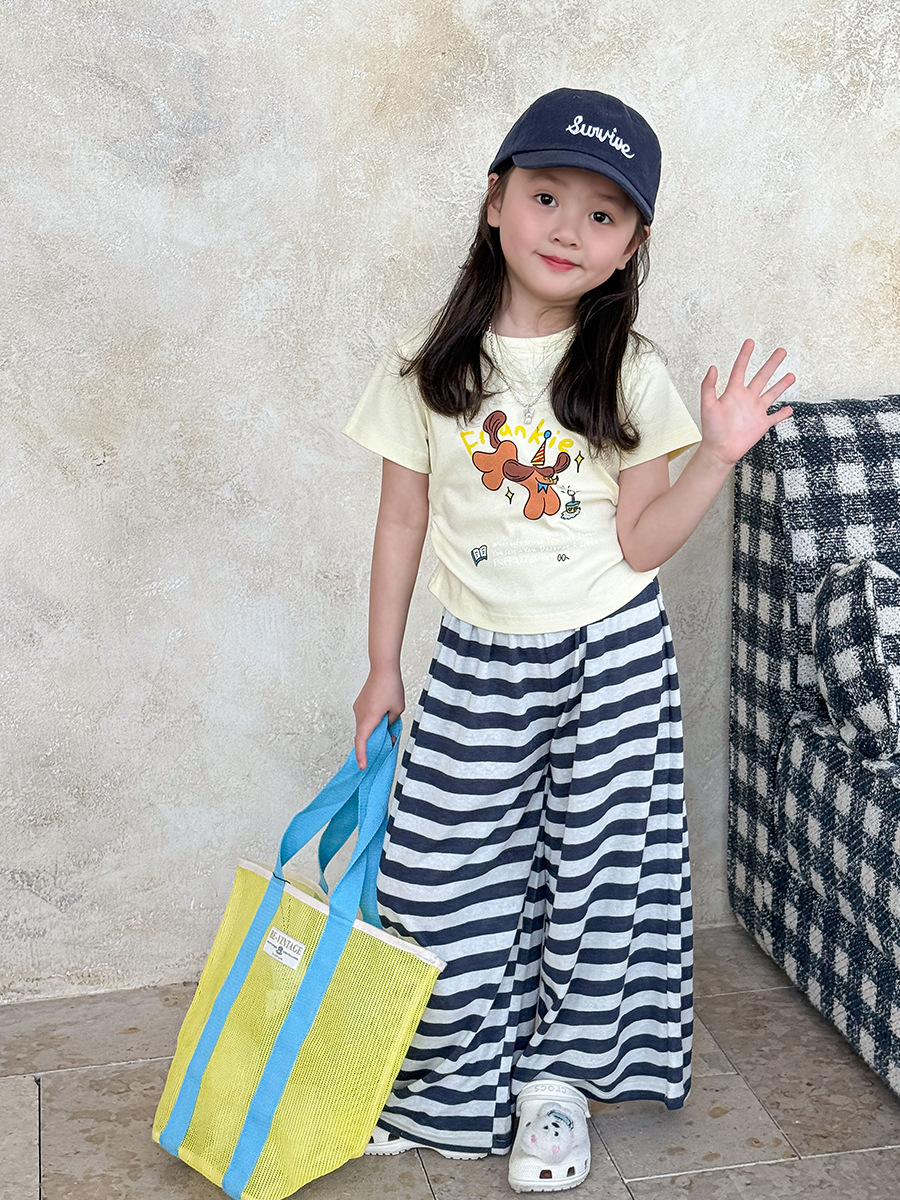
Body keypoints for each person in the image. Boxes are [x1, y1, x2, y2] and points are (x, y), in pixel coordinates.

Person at [343, 88, 794, 1194]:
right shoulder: (427, 363)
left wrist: (716, 455)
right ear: (496, 200)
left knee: (594, 880)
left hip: (610, 660)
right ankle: (448, 1081)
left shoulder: (627, 371)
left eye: (602, 215)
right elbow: (400, 521)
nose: (567, 230)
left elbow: (641, 544)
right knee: (441, 877)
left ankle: (556, 1088)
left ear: (630, 246)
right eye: (546, 197)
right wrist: (383, 666)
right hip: (476, 661)